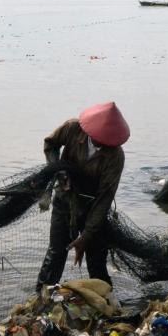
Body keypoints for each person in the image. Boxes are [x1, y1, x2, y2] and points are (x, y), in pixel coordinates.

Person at [37, 102, 130, 289]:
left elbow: (105, 198)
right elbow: (50, 144)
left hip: (92, 208)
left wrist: (86, 235)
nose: (102, 144)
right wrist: (59, 172)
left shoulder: (115, 156)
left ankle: (105, 297)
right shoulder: (72, 128)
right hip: (64, 202)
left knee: (96, 260)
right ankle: (42, 294)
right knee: (56, 253)